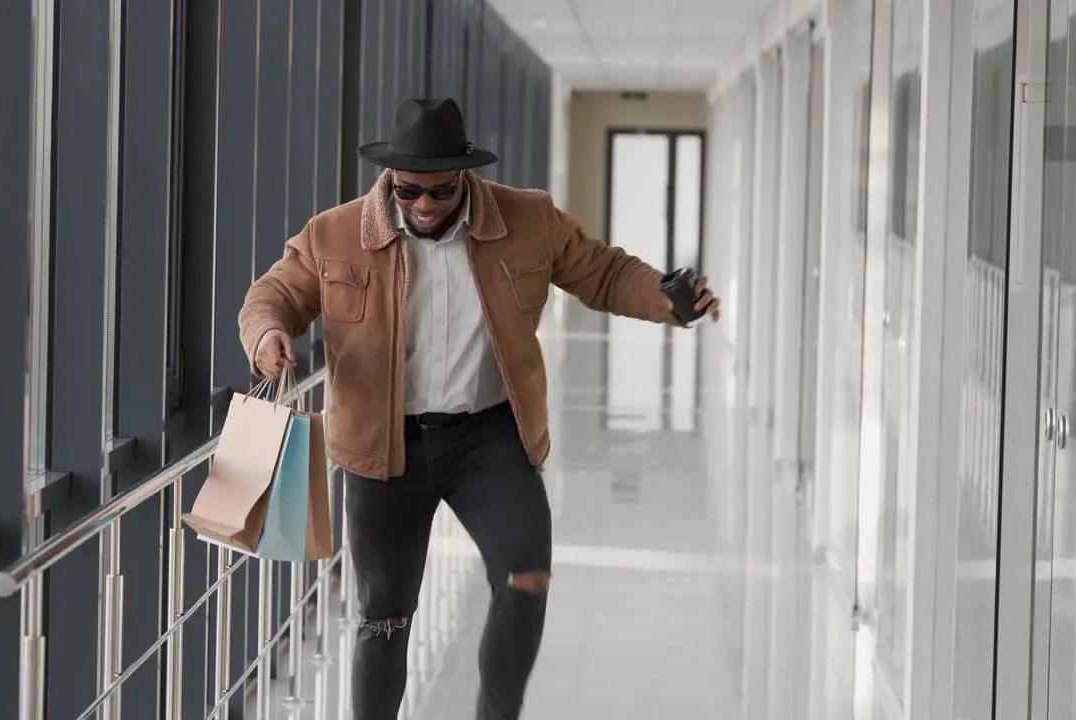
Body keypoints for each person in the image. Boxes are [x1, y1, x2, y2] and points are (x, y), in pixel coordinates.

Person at [238, 98, 719, 720]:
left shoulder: (528, 218)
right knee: (384, 616)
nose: (425, 206)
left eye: (440, 192)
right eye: (409, 191)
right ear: (390, 178)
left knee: (526, 577)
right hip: (384, 445)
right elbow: (272, 294)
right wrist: (267, 335)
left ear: (464, 177)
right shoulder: (334, 233)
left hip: (489, 436)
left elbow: (602, 272)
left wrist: (671, 299)